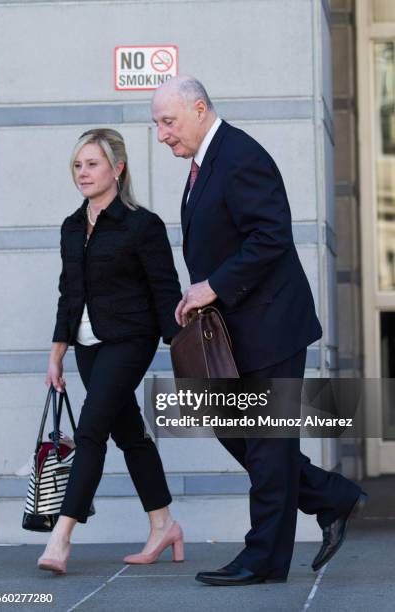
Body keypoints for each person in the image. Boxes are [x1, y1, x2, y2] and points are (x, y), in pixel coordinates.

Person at [151, 76, 367, 586]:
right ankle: (332, 496)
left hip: (271, 325)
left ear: (199, 109)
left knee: (269, 444)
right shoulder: (205, 163)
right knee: (244, 436)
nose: (161, 135)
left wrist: (213, 287)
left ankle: (263, 560)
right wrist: (201, 292)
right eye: (157, 123)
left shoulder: (239, 155)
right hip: (236, 330)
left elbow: (271, 236)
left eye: (167, 121)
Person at [37, 128, 184, 574]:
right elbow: (68, 293)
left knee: (90, 431)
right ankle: (164, 525)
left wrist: (184, 351)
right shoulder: (70, 226)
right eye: (78, 165)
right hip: (86, 345)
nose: (83, 172)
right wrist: (57, 352)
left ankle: (61, 537)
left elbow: (166, 290)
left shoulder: (143, 225)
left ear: (117, 168)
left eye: (92, 164)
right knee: (128, 433)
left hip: (130, 340)